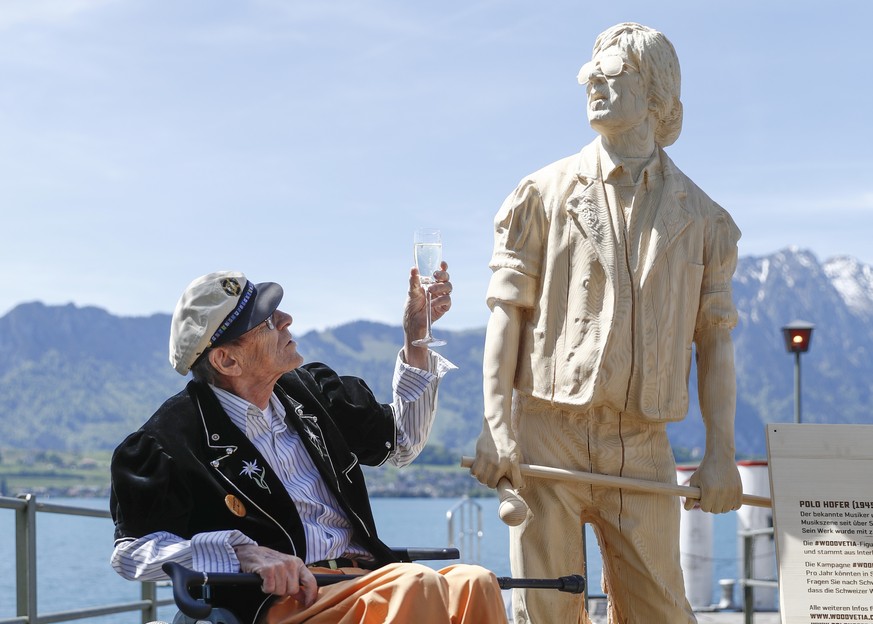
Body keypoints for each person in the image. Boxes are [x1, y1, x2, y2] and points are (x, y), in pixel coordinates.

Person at [470, 22, 743, 624]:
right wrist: (496, 427)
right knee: (547, 610)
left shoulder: (705, 219)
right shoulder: (540, 194)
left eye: (612, 73)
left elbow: (715, 343)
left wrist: (720, 453)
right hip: (549, 432)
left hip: (644, 443)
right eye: (588, 74)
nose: (593, 81)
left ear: (656, 94)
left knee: (663, 610)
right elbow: (505, 316)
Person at [110, 266, 507, 624]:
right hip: (288, 599)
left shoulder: (313, 391)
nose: (286, 319)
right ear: (227, 361)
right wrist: (241, 553)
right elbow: (132, 553)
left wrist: (416, 336)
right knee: (416, 584)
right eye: (267, 322)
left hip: (369, 580)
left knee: (477, 581)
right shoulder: (168, 440)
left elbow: (400, 443)